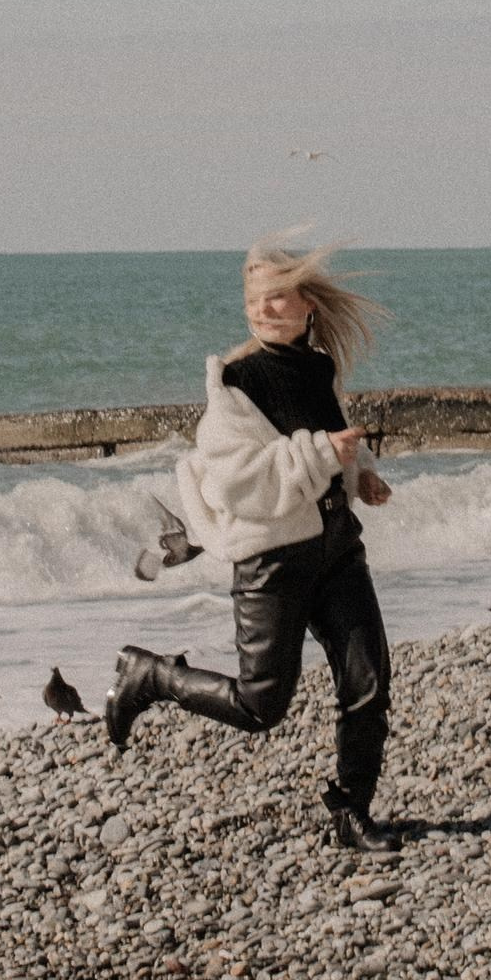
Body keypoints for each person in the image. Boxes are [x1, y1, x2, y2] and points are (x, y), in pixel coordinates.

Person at [104, 240, 399, 850]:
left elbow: (319, 438)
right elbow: (238, 483)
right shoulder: (237, 385)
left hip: (338, 549)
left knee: (368, 683)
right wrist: (325, 455)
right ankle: (152, 676)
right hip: (275, 560)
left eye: (276, 298)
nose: (263, 311)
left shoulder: (316, 367)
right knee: (261, 705)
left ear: (307, 304)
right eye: (253, 301)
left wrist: (358, 471)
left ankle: (351, 812)